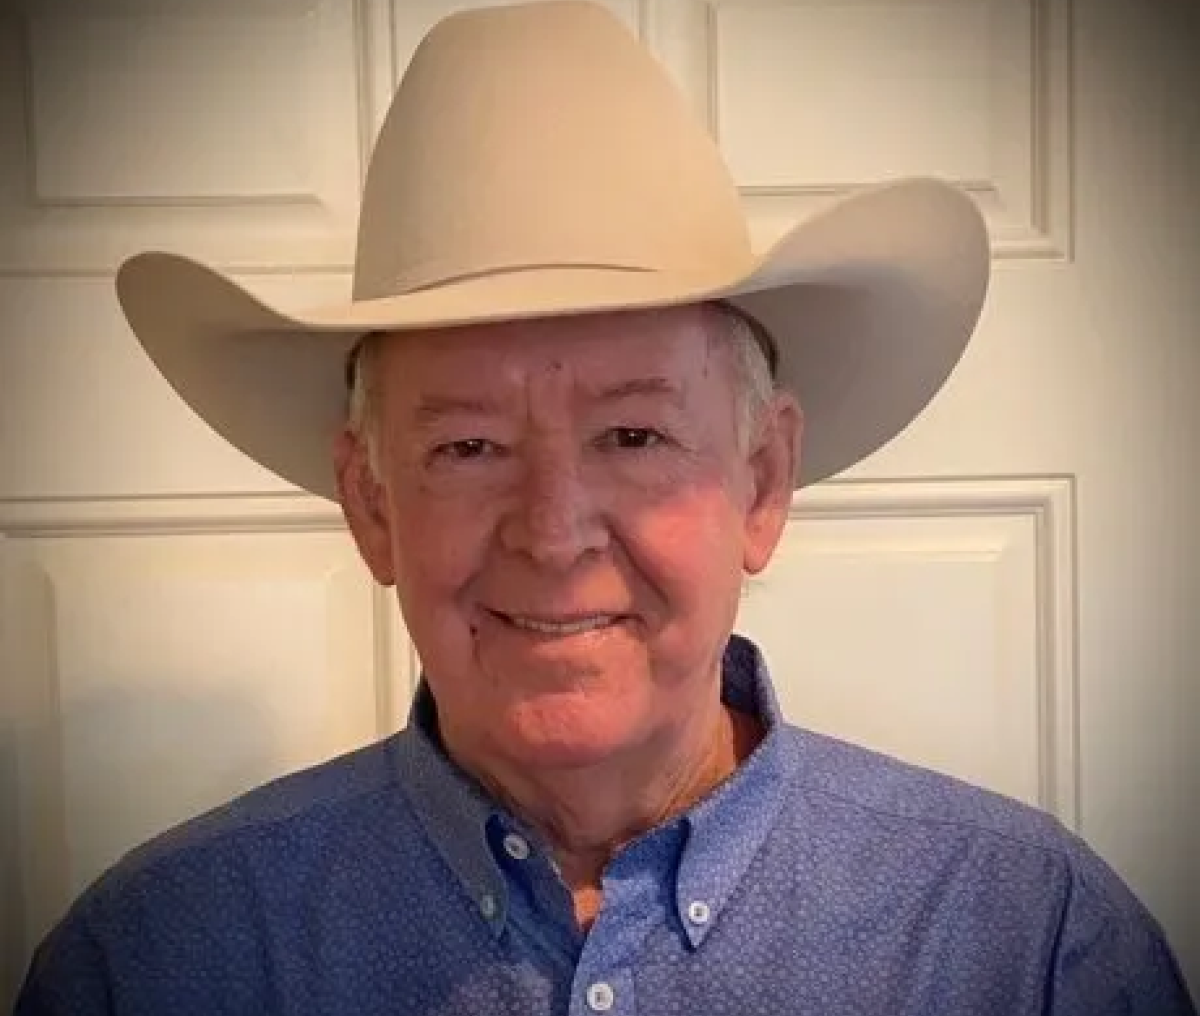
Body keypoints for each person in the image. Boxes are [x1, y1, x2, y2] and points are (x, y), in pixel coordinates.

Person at [14, 2, 1196, 1014]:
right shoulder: (159, 958)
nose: (554, 529)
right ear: (371, 504)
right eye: (468, 445)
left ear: (764, 483)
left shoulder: (1028, 944)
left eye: (633, 436)